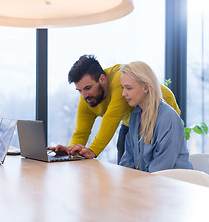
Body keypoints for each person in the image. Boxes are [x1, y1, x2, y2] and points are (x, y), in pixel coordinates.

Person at [47, 55, 180, 162]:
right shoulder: (86, 98)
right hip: (133, 118)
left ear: (102, 79)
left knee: (154, 155)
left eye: (88, 88)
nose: (84, 95)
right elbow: (80, 133)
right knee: (125, 155)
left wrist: (92, 151)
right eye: (79, 90)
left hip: (158, 108)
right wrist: (70, 152)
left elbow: (112, 117)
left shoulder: (118, 79)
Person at [119, 61, 192, 172]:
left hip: (175, 184)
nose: (124, 93)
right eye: (123, 88)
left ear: (146, 87)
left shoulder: (168, 118)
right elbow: (128, 159)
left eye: (129, 88)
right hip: (148, 183)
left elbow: (162, 168)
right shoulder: (135, 116)